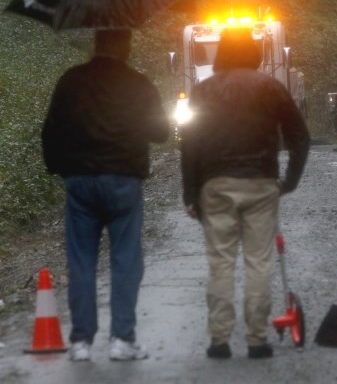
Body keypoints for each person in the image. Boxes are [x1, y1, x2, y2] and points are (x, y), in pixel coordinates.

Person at [180, 26, 310, 359]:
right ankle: (257, 339)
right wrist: (290, 181)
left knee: (221, 263)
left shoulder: (203, 90)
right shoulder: (271, 87)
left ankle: (220, 340)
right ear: (255, 53)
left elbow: (190, 146)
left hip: (216, 185)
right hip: (261, 184)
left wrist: (191, 195)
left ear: (221, 53)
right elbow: (299, 137)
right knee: (258, 261)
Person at [41, 28, 170, 362]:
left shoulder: (71, 81)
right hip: (123, 181)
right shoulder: (138, 83)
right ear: (125, 47)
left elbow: (51, 130)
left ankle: (81, 343)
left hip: (81, 181)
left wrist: (59, 168)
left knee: (81, 260)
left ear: (96, 45)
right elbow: (160, 133)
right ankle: (121, 340)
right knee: (125, 260)